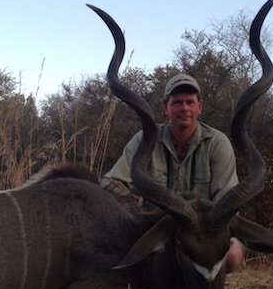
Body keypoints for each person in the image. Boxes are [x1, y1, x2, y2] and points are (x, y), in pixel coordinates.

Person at [101, 73, 239, 204]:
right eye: (177, 103)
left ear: (199, 107)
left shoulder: (217, 143)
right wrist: (135, 204)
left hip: (201, 227)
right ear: (165, 108)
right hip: (151, 224)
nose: (184, 108)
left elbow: (227, 201)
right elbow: (110, 183)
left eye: (190, 102)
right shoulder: (145, 139)